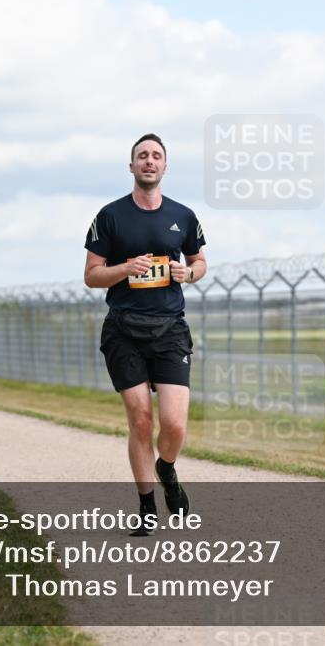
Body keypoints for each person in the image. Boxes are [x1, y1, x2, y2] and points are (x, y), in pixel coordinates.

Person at [84, 133, 207, 536]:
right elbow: (91, 275)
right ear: (131, 166)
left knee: (173, 425)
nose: (149, 162)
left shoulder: (184, 216)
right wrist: (125, 269)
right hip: (124, 330)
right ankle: (147, 506)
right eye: (142, 156)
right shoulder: (110, 216)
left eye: (156, 156)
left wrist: (187, 273)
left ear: (165, 166)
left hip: (170, 329)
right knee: (140, 420)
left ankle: (166, 469)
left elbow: (200, 261)